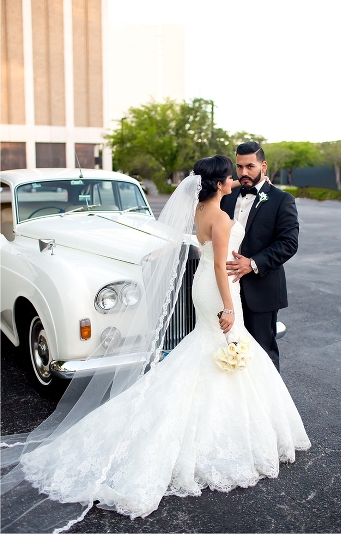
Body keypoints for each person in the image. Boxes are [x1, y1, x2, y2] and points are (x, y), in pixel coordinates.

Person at [0, 155, 310, 532]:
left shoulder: (201, 208)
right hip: (220, 290)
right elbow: (218, 264)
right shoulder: (221, 216)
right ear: (219, 183)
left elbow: (210, 230)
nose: (236, 178)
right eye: (231, 175)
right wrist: (229, 306)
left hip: (206, 288)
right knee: (224, 347)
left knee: (207, 351)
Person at [221, 142, 297, 372]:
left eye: (250, 166)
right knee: (227, 351)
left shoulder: (282, 199)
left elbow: (288, 243)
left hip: (261, 290)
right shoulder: (226, 197)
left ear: (263, 166)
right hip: (226, 289)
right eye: (239, 167)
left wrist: (252, 263)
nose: (243, 172)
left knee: (263, 354)